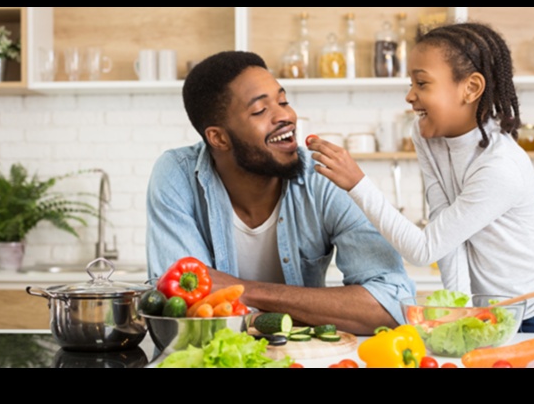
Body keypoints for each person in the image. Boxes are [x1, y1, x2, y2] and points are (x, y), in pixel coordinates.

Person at [307, 22, 534, 333]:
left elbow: (423, 250)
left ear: (470, 88)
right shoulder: (428, 135)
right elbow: (446, 239)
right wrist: (460, 309)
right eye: (410, 83)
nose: (410, 96)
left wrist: (357, 184)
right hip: (494, 316)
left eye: (422, 83)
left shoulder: (500, 167)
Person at [146, 50, 415, 335]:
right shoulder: (177, 175)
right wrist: (311, 310)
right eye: (260, 111)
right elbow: (186, 313)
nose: (286, 116)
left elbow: (392, 306)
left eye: (283, 101)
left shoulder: (324, 177)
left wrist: (245, 291)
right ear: (219, 138)